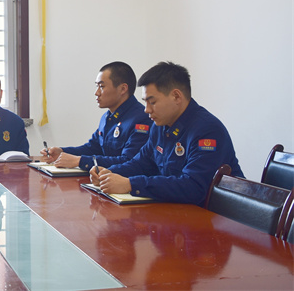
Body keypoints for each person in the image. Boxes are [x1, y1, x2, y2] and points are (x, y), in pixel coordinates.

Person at [90, 61, 244, 206]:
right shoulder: (160, 126)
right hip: (176, 210)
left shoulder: (207, 130)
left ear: (176, 96)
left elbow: (193, 187)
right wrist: (108, 174)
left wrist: (131, 184)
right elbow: (141, 163)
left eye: (152, 102)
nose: (146, 110)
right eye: (145, 102)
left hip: (216, 217)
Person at [40, 61, 151, 171]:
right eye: (97, 86)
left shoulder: (142, 119)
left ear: (123, 89)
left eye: (101, 86)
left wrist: (80, 161)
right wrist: (62, 152)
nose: (96, 93)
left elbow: (129, 162)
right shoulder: (107, 117)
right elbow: (92, 148)